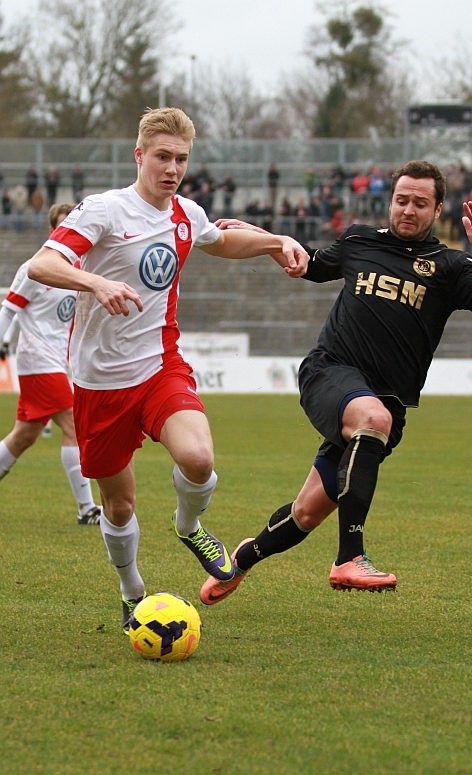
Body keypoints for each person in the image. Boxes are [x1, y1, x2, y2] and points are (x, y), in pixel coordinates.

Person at [27, 107, 309, 632]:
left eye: (181, 159)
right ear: (140, 155)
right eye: (162, 157)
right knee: (118, 506)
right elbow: (42, 264)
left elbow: (220, 241)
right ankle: (131, 590)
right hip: (99, 383)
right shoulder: (103, 210)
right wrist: (96, 282)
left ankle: (189, 526)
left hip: (161, 366)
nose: (172, 168)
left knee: (199, 459)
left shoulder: (186, 213)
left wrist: (276, 242)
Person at [200, 159, 472, 605]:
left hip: (386, 405)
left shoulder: (450, 265)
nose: (408, 210)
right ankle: (350, 557)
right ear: (390, 201)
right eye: (401, 200)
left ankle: (242, 559)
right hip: (329, 372)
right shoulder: (360, 240)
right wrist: (262, 236)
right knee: (372, 418)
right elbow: (308, 264)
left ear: (437, 209)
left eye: (420, 203)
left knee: (306, 513)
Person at [0, 203, 101, 525]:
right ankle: (87, 509)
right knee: (73, 425)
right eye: (62, 226)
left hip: (59, 361)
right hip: (37, 359)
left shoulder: (79, 270)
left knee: (24, 435)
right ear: (52, 232)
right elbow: (9, 309)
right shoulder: (34, 268)